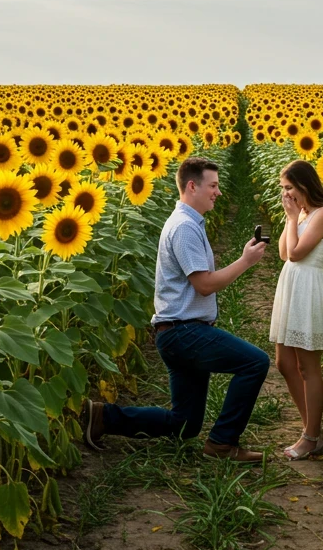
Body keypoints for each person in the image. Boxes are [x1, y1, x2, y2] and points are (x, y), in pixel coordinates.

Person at [81, 156, 270, 463]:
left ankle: (104, 417)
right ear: (192, 186)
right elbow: (204, 285)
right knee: (255, 362)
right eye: (213, 186)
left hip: (178, 332)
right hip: (183, 332)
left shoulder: (189, 223)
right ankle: (223, 443)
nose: (218, 193)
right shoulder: (183, 227)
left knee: (185, 424)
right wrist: (246, 261)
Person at [270, 159, 323, 460]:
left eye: (289, 188)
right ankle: (311, 429)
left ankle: (311, 436)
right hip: (291, 285)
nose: (285, 195)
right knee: (285, 363)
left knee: (307, 367)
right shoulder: (302, 213)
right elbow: (284, 252)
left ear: (303, 185)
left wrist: (290, 217)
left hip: (308, 288)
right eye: (283, 189)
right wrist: (292, 216)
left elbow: (297, 254)